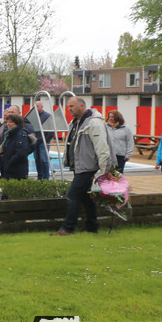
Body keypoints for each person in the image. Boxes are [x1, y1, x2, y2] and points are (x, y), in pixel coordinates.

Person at [53, 96, 111, 236]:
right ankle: (92, 226)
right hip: (80, 166)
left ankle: (67, 228)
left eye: (71, 106)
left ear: (81, 106)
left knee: (72, 194)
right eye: (68, 106)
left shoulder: (93, 123)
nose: (69, 109)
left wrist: (105, 170)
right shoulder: (76, 123)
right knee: (86, 197)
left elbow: (102, 147)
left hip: (87, 166)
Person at [0, 114, 32, 179]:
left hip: (17, 169)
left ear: (17, 123)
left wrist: (9, 163)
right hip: (7, 168)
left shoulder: (21, 134)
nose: (8, 124)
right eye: (7, 122)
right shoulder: (8, 134)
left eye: (11, 122)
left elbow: (21, 152)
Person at [32, 101, 52, 180]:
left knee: (44, 160)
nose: (36, 108)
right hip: (35, 142)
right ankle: (40, 177)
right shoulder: (33, 117)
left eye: (37, 106)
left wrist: (45, 140)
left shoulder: (47, 116)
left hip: (44, 142)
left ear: (42, 107)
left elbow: (51, 130)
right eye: (35, 106)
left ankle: (46, 177)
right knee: (37, 159)